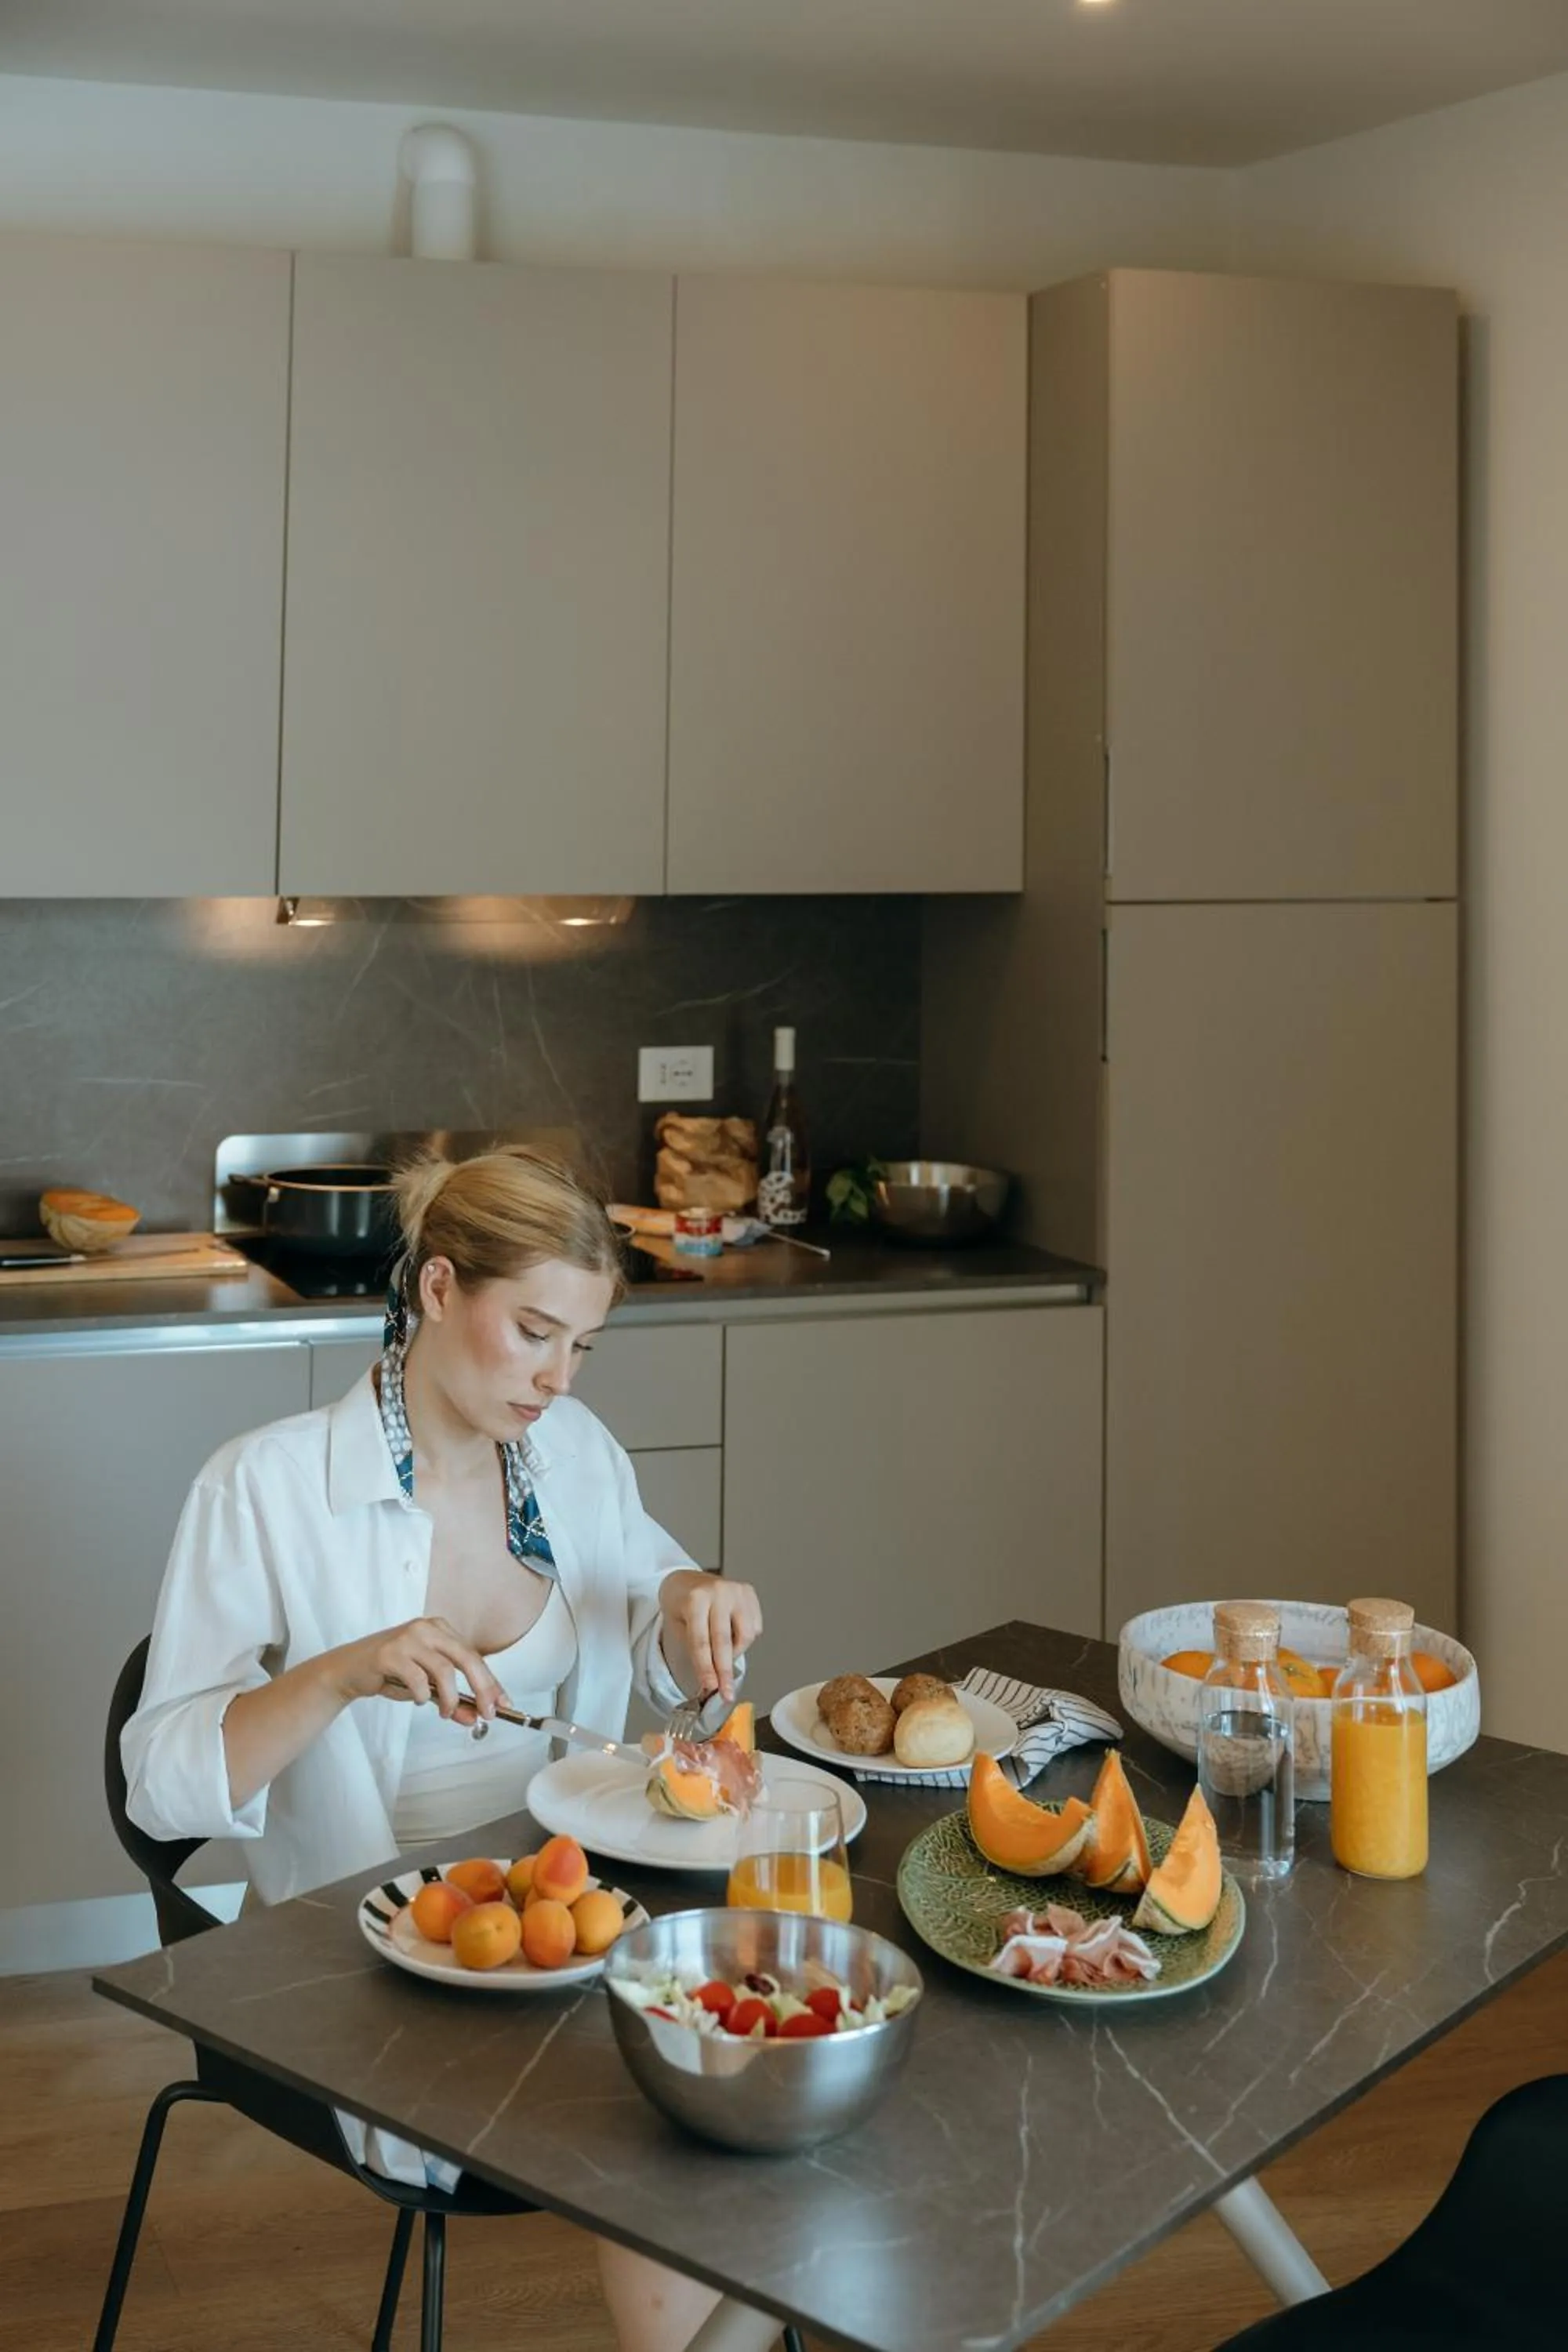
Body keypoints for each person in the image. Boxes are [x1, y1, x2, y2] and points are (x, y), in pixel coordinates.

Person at [123, 1145, 764, 2352]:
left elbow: (656, 1634)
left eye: (581, 1347)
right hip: (368, 1962)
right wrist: (341, 1671)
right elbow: (158, 1788)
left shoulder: (574, 1461)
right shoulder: (264, 1489)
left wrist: (693, 1606)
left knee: (777, 2055)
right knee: (687, 2102)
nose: (556, 1379)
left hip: (571, 1919)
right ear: (436, 1290)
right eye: (532, 1332)